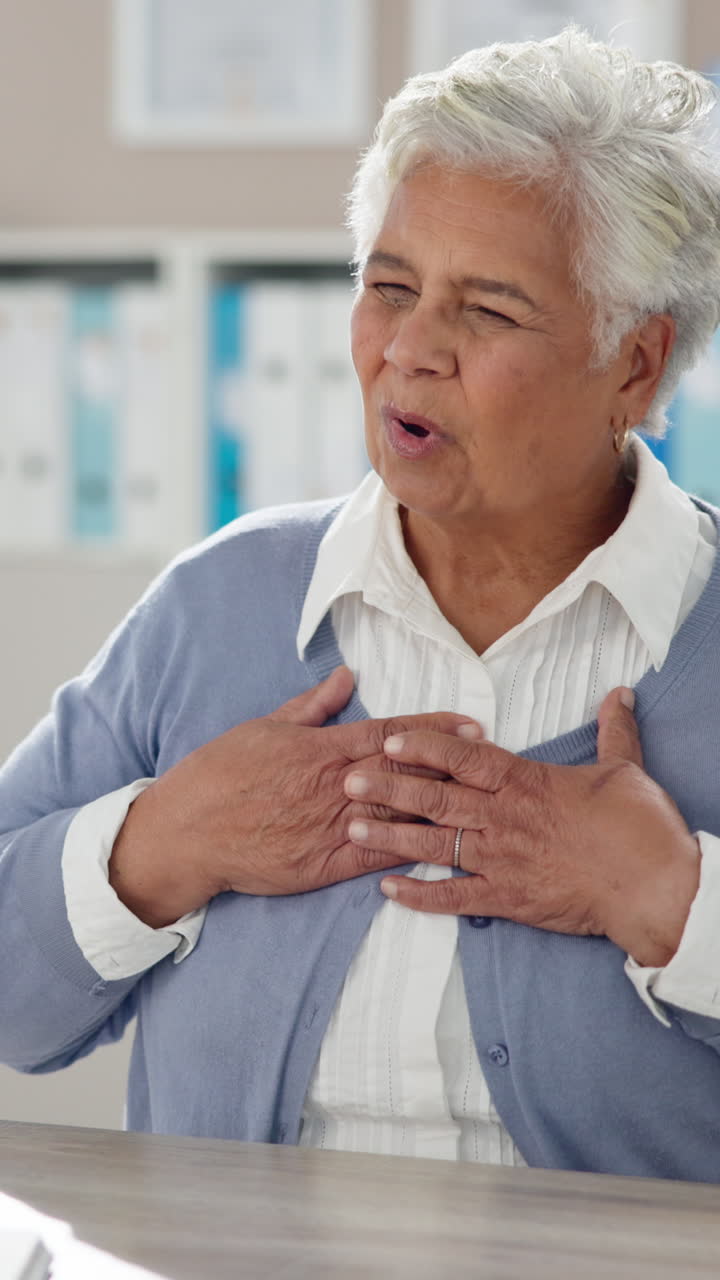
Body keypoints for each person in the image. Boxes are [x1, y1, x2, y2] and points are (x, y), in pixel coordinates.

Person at [2, 25, 720, 1180]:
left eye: (488, 310)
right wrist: (163, 842)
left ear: (635, 363)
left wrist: (674, 902)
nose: (410, 348)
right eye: (390, 287)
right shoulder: (218, 603)